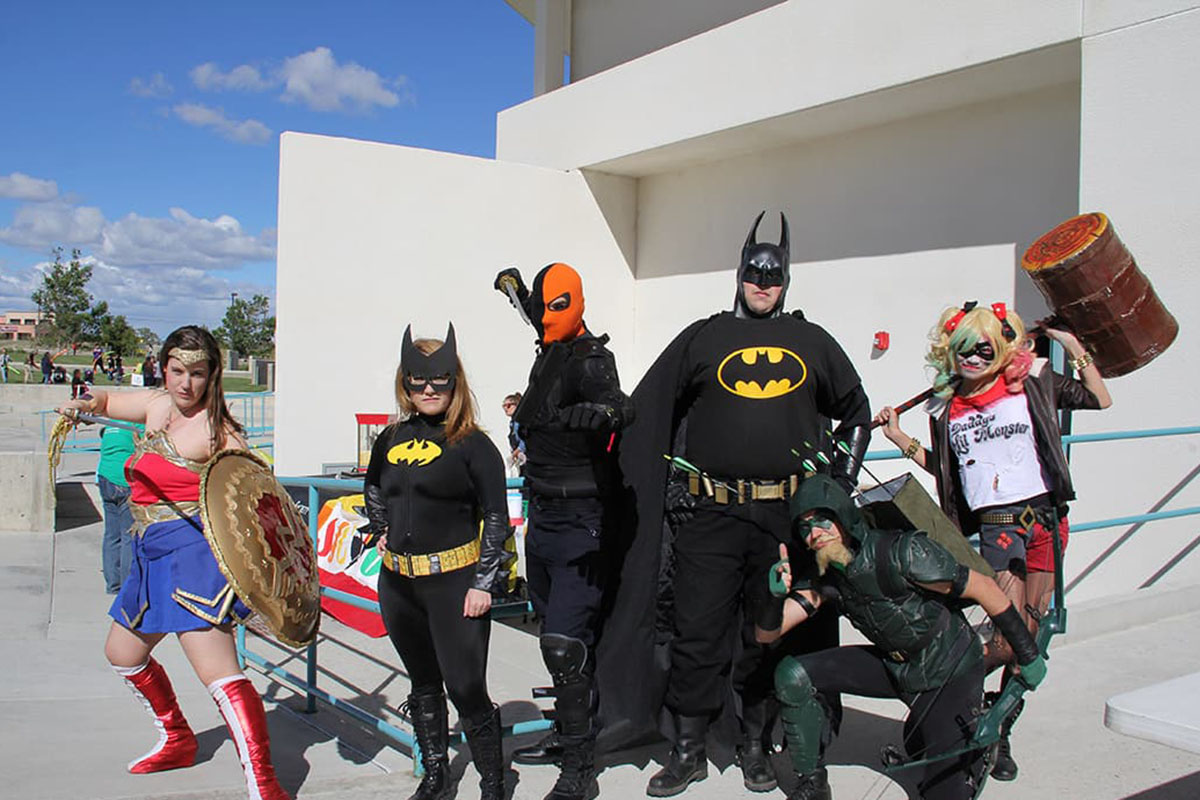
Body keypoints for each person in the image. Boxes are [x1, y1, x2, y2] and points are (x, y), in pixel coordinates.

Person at [615, 212, 871, 797]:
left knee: (768, 633)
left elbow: (856, 411)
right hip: (712, 513)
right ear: (738, 273)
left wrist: (837, 492)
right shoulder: (704, 337)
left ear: (787, 280)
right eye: (754, 272)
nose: (763, 283)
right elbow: (647, 406)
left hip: (783, 518)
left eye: (773, 276)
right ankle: (687, 749)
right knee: (696, 631)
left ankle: (757, 743)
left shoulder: (812, 342)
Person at [874, 301, 1111, 781]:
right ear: (950, 352)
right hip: (1000, 526)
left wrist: (1069, 343)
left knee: (1035, 636)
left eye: (984, 349)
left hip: (1046, 519)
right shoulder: (945, 407)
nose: (974, 359)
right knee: (1008, 640)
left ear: (1000, 348)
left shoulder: (1033, 382)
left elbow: (1099, 399)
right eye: (963, 350)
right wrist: (899, 437)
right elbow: (947, 475)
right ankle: (943, 701)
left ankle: (1000, 732)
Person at [57, 325, 290, 800]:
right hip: (149, 554)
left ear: (212, 376)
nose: (186, 383)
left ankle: (265, 785)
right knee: (122, 654)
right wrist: (83, 405)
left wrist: (264, 580)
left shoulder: (219, 432)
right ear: (164, 367)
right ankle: (178, 738)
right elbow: (103, 401)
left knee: (220, 674)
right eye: (178, 370)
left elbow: (258, 502)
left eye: (197, 373)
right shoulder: (157, 405)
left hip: (192, 558)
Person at [756, 474, 1046, 800]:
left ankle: (978, 747)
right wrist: (773, 598)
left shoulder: (903, 552)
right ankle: (812, 784)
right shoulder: (827, 577)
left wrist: (1026, 653)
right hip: (896, 667)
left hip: (947, 670)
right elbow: (768, 634)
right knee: (792, 675)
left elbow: (985, 588)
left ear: (843, 516)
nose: (815, 534)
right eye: (805, 529)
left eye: (822, 521)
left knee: (942, 792)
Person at [494, 262, 635, 800]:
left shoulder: (590, 359)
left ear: (575, 304)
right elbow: (539, 315)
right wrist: (518, 293)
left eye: (556, 306)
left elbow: (619, 403)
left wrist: (604, 412)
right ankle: (573, 733)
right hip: (544, 518)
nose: (545, 316)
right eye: (542, 307)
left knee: (563, 645)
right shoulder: (549, 349)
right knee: (557, 634)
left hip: (583, 521)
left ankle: (578, 773)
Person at [361, 323, 511, 800]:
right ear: (405, 383)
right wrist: (380, 527)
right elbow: (372, 486)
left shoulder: (473, 444)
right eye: (417, 380)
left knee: (466, 687)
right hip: (400, 585)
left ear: (455, 381)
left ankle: (493, 782)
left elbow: (496, 515)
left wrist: (484, 581)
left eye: (439, 379)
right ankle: (436, 776)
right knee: (423, 683)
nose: (428, 389)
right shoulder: (389, 438)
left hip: (456, 584)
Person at [98, 424, 140, 594]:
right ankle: (127, 586)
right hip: (124, 481)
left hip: (105, 478)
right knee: (128, 536)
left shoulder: (110, 425)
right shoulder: (137, 425)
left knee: (111, 534)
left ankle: (112, 583)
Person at [502, 391, 526, 475]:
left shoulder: (520, 422)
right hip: (520, 460)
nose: (505, 409)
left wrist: (517, 452)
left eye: (508, 405)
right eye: (503, 406)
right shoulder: (513, 423)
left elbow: (526, 439)